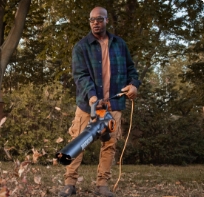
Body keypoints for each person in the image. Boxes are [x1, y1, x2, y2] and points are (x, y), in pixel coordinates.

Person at [59, 6, 141, 197]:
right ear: (90, 22)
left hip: (114, 104)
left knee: (109, 145)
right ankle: (69, 183)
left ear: (106, 21)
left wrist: (134, 85)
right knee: (78, 142)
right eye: (92, 20)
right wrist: (93, 96)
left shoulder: (120, 44)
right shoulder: (81, 47)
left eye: (99, 19)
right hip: (89, 105)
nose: (95, 22)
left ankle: (102, 185)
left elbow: (132, 70)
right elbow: (80, 76)